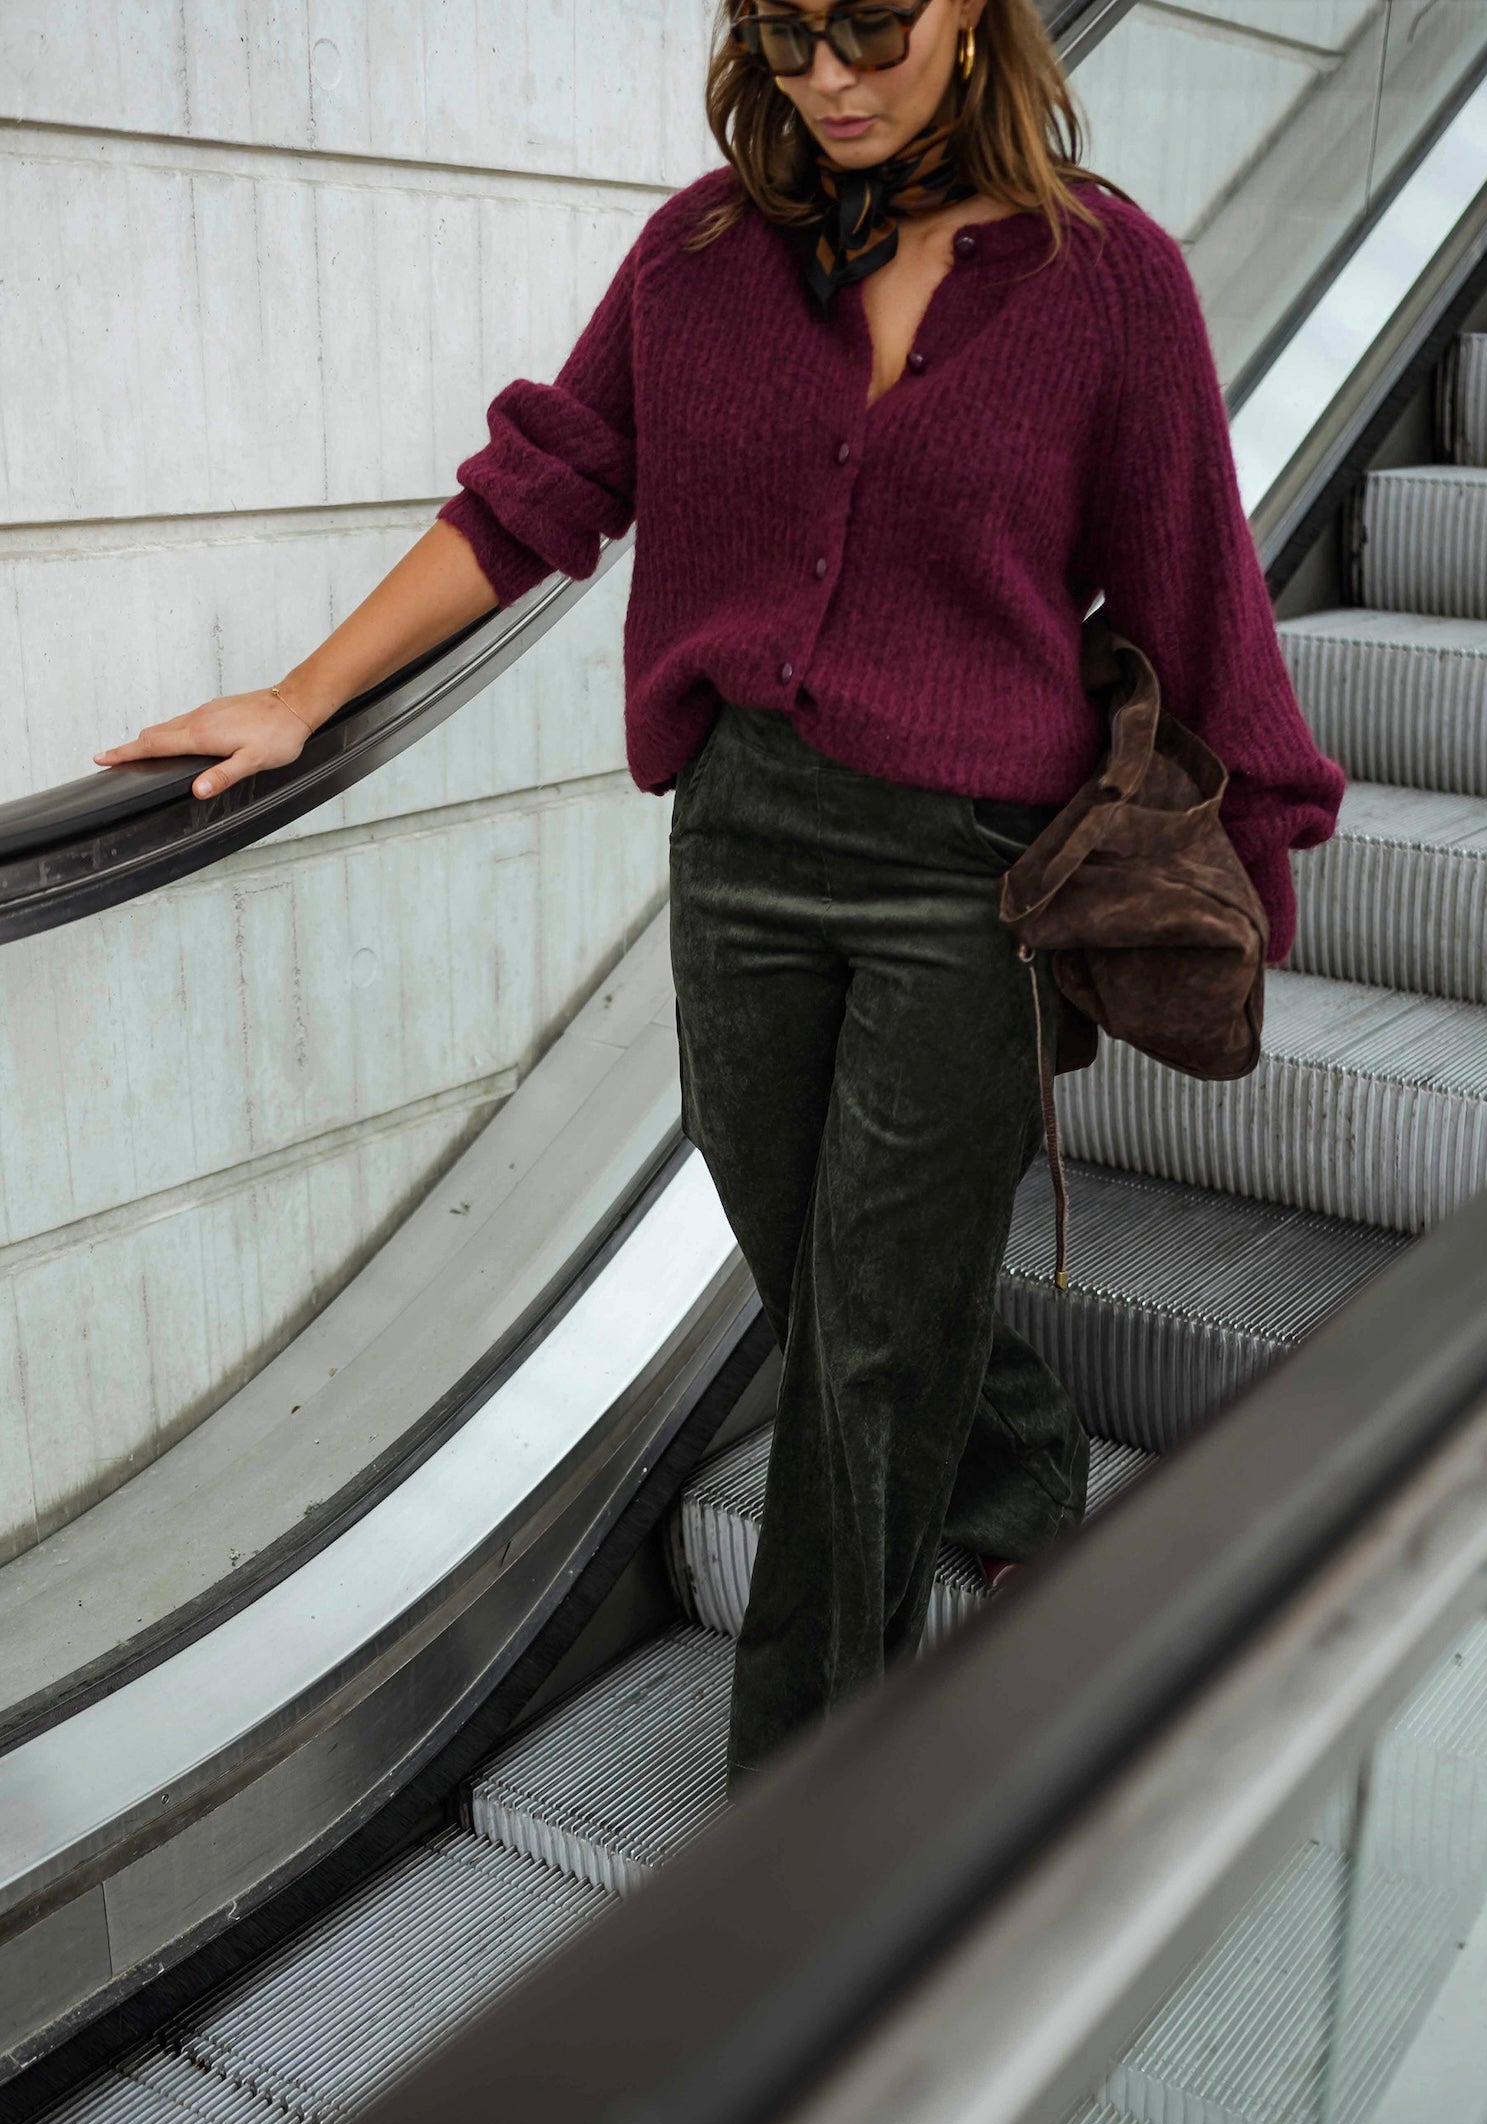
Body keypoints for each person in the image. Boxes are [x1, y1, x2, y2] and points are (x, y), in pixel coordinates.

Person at [94, 0, 1345, 1778]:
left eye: (870, 29)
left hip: (973, 879)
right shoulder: (697, 260)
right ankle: (1023, 1455)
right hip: (743, 846)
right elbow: (540, 487)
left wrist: (1254, 876)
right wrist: (307, 688)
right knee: (824, 1272)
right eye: (783, 35)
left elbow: (1197, 599)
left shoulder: (1106, 282)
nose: (827, 80)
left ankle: (787, 1847)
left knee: (860, 1370)